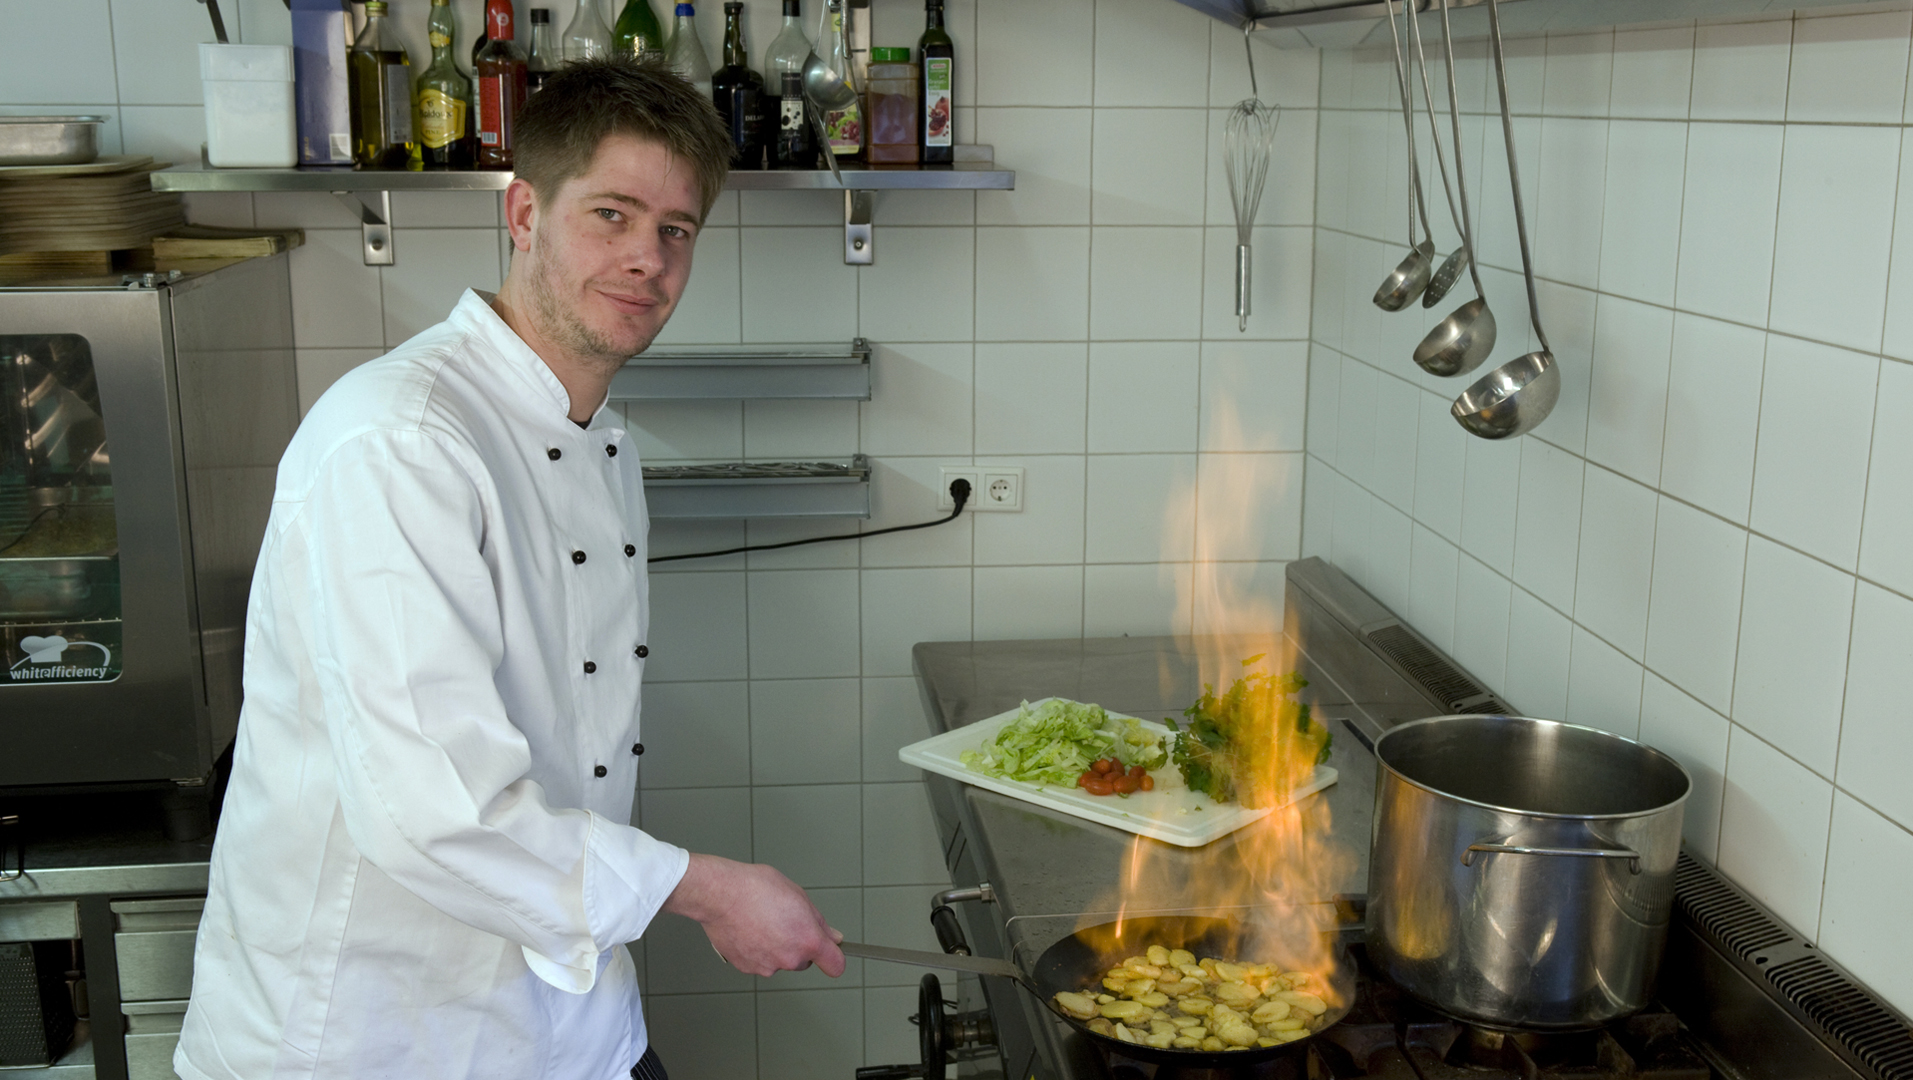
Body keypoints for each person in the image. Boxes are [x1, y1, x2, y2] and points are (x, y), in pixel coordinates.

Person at [174, 58, 846, 1080]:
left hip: (560, 1019)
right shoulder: (401, 444)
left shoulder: (600, 440)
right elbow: (433, 810)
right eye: (611, 215)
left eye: (676, 230)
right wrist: (704, 890)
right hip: (372, 1035)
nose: (647, 260)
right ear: (524, 213)